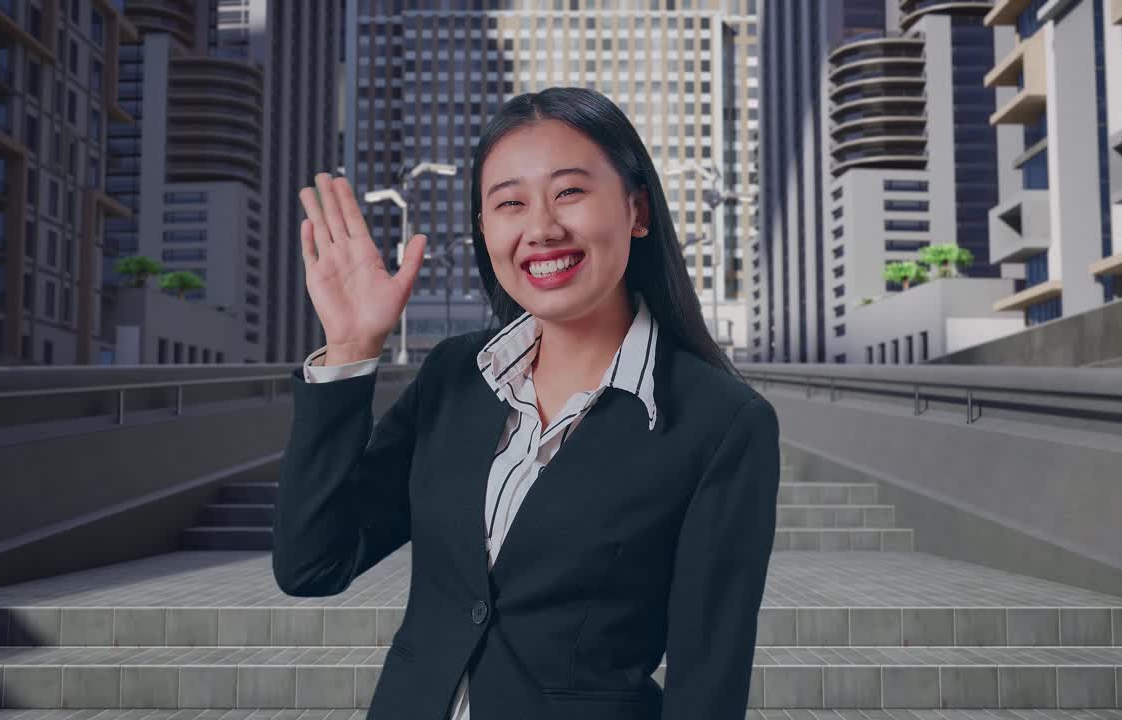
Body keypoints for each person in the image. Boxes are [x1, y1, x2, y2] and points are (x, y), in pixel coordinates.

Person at [273, 86, 780, 720]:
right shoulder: (455, 376)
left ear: (637, 209)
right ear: (485, 231)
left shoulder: (721, 423)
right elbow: (312, 564)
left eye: (570, 192)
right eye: (509, 203)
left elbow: (707, 686)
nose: (541, 227)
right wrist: (350, 348)